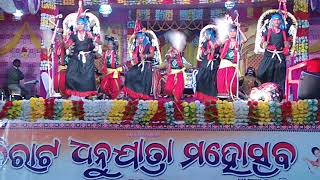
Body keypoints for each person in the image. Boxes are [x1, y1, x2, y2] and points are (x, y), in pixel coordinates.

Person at [64, 15, 101, 98]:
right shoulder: (73, 35)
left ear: (85, 25)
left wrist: (93, 38)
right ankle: (75, 95)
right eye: (78, 24)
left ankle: (85, 96)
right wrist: (67, 41)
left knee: (87, 78)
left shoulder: (88, 34)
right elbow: (66, 46)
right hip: (76, 58)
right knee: (70, 76)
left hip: (87, 59)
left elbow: (100, 43)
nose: (79, 26)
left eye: (81, 24)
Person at [257, 13, 291, 92]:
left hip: (279, 57)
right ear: (272, 21)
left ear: (281, 21)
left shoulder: (284, 32)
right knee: (262, 73)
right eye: (275, 20)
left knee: (279, 77)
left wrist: (287, 46)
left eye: (278, 20)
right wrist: (264, 44)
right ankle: (265, 91)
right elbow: (263, 42)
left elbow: (287, 43)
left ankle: (279, 93)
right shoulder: (268, 32)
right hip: (269, 56)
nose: (276, 21)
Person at [123, 30, 155, 100]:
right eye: (137, 38)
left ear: (143, 38)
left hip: (146, 65)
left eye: (139, 38)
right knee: (129, 74)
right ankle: (134, 94)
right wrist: (133, 59)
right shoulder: (138, 47)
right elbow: (135, 56)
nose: (138, 40)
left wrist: (145, 56)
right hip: (139, 65)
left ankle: (143, 96)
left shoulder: (149, 45)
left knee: (144, 81)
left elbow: (152, 54)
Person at [217, 25, 247, 98]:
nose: (232, 33)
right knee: (222, 79)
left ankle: (231, 95)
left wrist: (239, 29)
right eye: (231, 31)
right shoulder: (226, 41)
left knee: (232, 80)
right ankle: (223, 95)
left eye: (234, 31)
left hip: (233, 64)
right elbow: (219, 42)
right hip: (224, 62)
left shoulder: (238, 42)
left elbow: (245, 39)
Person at [195, 29, 220, 102]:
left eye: (207, 34)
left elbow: (220, 53)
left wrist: (216, 54)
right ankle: (201, 96)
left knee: (212, 80)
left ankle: (211, 97)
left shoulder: (217, 43)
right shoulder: (204, 43)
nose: (206, 36)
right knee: (200, 78)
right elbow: (202, 54)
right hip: (206, 62)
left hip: (214, 64)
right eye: (205, 34)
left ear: (211, 34)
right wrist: (206, 52)